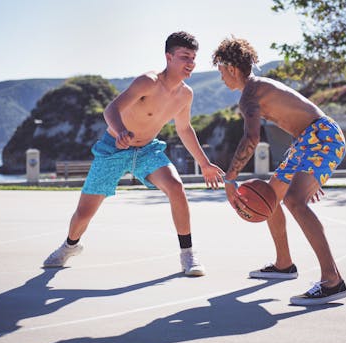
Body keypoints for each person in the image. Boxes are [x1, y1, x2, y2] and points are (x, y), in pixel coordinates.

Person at [43, 31, 224, 276]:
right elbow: (111, 109)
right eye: (184, 57)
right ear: (168, 57)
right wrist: (119, 132)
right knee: (84, 212)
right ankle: (70, 245)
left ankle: (188, 255)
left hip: (148, 149)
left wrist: (204, 163)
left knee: (176, 187)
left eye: (193, 58)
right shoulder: (148, 82)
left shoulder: (185, 94)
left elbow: (184, 128)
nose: (190, 63)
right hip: (113, 148)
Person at [212, 37, 346, 305]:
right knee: (272, 196)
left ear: (231, 68)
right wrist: (307, 177)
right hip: (307, 142)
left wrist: (230, 178)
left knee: (294, 201)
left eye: (220, 71)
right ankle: (284, 265)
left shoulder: (250, 95)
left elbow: (251, 140)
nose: (220, 78)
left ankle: (333, 281)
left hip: (322, 137)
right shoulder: (256, 89)